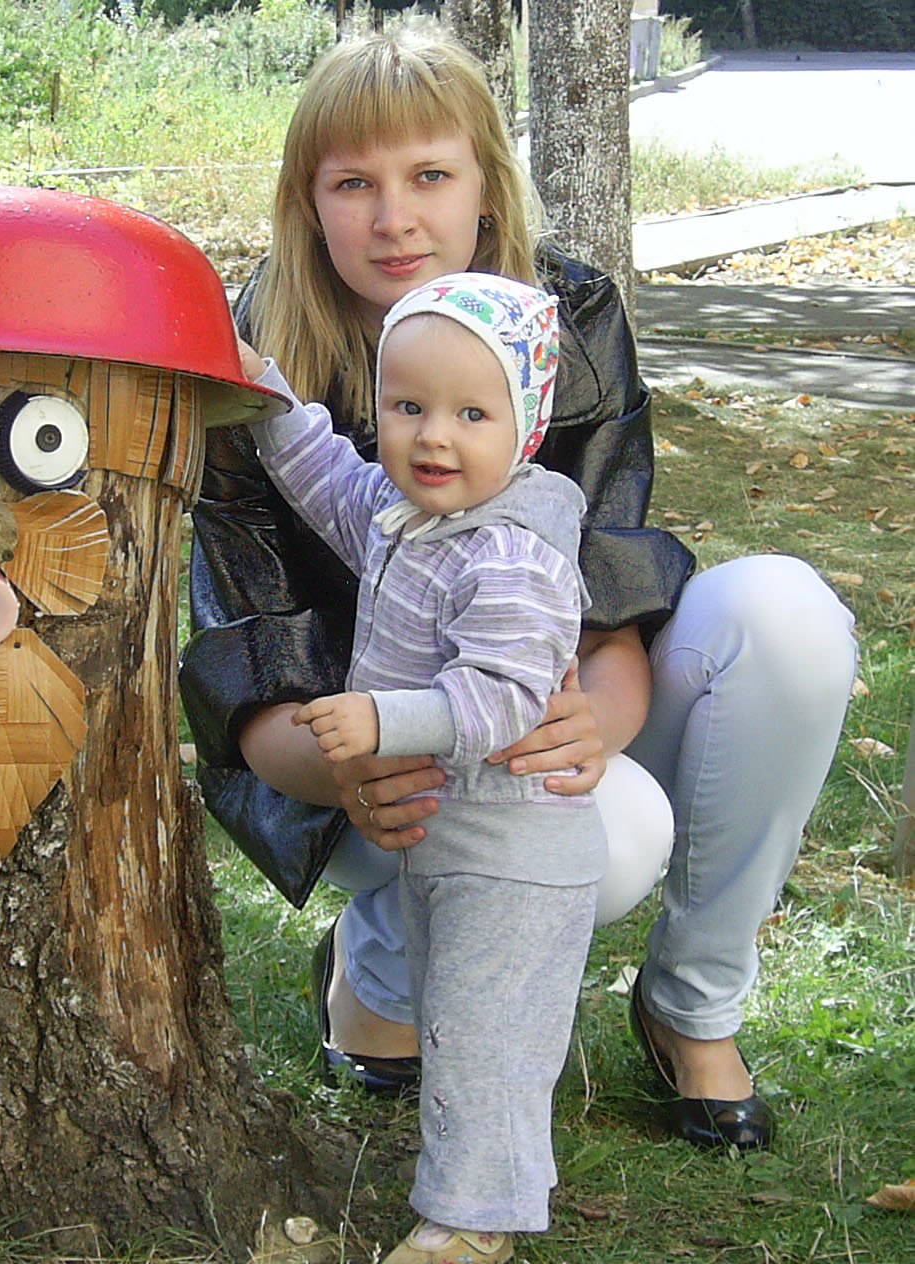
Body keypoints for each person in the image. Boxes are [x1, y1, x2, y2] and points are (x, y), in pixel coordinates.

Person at [180, 26, 856, 1158]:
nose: (394, 218)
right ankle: (378, 964)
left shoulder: (568, 317)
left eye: (428, 175)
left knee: (782, 619)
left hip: (526, 700)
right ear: (307, 204)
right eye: (353, 184)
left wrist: (597, 721)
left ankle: (691, 1005)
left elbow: (608, 565)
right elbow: (245, 644)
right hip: (357, 751)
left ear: (487, 187)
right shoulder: (252, 363)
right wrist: (350, 765)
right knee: (612, 836)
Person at [237, 270, 606, 1264]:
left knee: (485, 1035)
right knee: (455, 1021)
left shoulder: (513, 555)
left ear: (525, 427)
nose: (432, 437)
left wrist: (380, 719)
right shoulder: (407, 515)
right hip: (447, 838)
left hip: (513, 848)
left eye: (470, 414)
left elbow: (501, 701)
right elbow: (326, 476)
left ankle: (473, 1220)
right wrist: (265, 390)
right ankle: (474, 1183)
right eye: (407, 407)